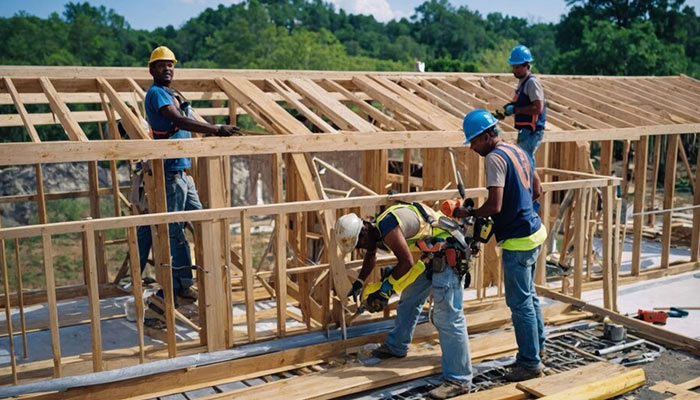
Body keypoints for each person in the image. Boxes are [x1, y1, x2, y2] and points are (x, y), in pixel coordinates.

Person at [336, 203, 473, 399]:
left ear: (364, 230)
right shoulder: (375, 232)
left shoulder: (387, 226)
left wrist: (386, 288)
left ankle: (459, 379)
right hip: (432, 255)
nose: (362, 248)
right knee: (409, 299)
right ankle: (396, 346)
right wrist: (359, 281)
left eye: (360, 243)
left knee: (448, 317)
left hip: (449, 252)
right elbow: (371, 257)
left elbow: (407, 261)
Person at [144, 46, 240, 302]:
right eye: (162, 65)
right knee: (174, 231)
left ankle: (201, 278)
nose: (167, 69)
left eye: (170, 64)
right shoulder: (156, 94)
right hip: (170, 174)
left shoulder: (171, 93)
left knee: (201, 222)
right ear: (152, 69)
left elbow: (187, 118)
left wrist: (216, 129)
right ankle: (178, 286)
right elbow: (179, 121)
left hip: (183, 174)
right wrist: (217, 129)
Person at [458, 109, 547, 382]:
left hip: (518, 241)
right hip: (535, 232)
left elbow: (494, 205)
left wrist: (469, 213)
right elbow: (537, 190)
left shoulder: (495, 159)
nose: (472, 147)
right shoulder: (519, 150)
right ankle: (538, 351)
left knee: (520, 304)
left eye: (473, 141)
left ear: (486, 136)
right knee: (529, 299)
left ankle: (529, 363)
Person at [495, 45, 546, 167]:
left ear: (527, 66)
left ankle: (532, 186)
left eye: (518, 67)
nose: (514, 70)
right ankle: (530, 186)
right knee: (525, 162)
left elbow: (538, 108)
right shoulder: (522, 82)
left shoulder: (532, 82)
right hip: (525, 130)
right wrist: (506, 110)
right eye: (513, 66)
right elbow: (520, 102)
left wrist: (516, 110)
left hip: (532, 131)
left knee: (526, 163)